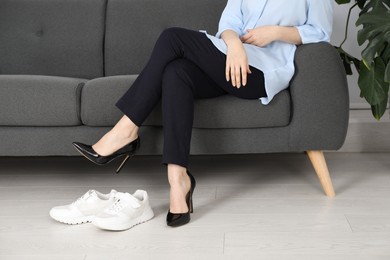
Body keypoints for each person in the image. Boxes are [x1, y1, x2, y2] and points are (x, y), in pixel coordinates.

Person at [72, 0, 334, 228]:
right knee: (176, 73)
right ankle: (178, 181)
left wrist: (276, 32)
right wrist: (234, 46)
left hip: (262, 71)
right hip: (231, 59)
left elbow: (321, 31)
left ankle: (126, 130)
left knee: (172, 37)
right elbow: (229, 22)